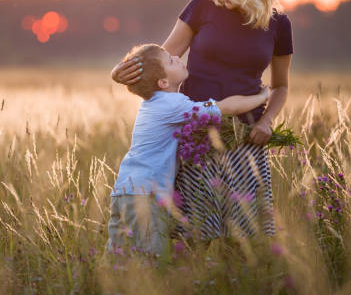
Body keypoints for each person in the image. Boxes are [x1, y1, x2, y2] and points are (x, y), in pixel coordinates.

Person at [111, 0, 293, 239]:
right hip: (196, 137)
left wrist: (266, 121)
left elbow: (281, 86)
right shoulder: (202, 7)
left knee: (247, 235)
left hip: (246, 140)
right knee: (193, 233)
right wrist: (122, 71)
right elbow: (162, 59)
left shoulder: (278, 24)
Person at [106, 43, 270, 257]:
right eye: (170, 60)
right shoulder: (172, 104)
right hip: (146, 195)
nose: (176, 56)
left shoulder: (154, 103)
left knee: (118, 256)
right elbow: (227, 107)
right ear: (163, 82)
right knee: (151, 258)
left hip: (125, 191)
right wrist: (263, 96)